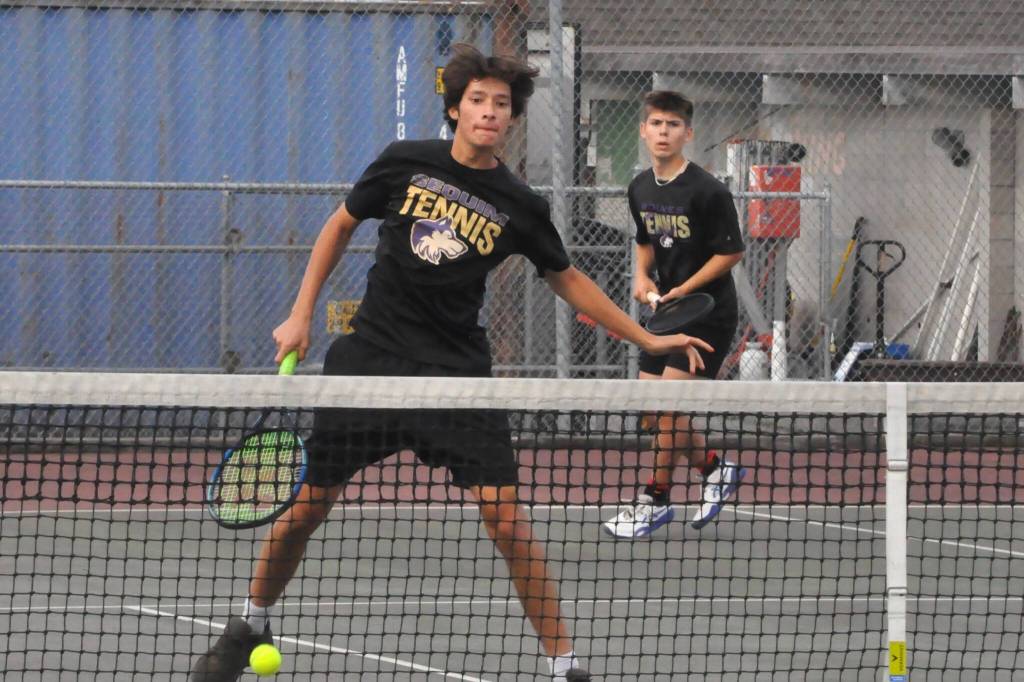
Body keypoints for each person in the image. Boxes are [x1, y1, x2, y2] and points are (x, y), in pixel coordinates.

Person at [190, 47, 711, 682]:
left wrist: (647, 339)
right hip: (369, 365)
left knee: (507, 520)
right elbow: (339, 226)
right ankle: (249, 621)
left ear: (511, 119)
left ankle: (565, 667)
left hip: (456, 376)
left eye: (502, 105)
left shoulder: (521, 205)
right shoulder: (404, 160)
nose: (490, 113)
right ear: (455, 108)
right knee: (307, 506)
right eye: (478, 101)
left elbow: (567, 278)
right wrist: (301, 313)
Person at [603, 91, 747, 540]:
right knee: (654, 413)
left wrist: (686, 287)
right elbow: (645, 242)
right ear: (643, 131)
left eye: (673, 125)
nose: (663, 132)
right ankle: (714, 470)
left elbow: (731, 253)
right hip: (666, 313)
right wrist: (641, 279)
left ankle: (655, 498)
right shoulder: (640, 188)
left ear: (688, 133)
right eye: (656, 124)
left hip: (708, 313)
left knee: (668, 410)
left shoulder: (709, 190)